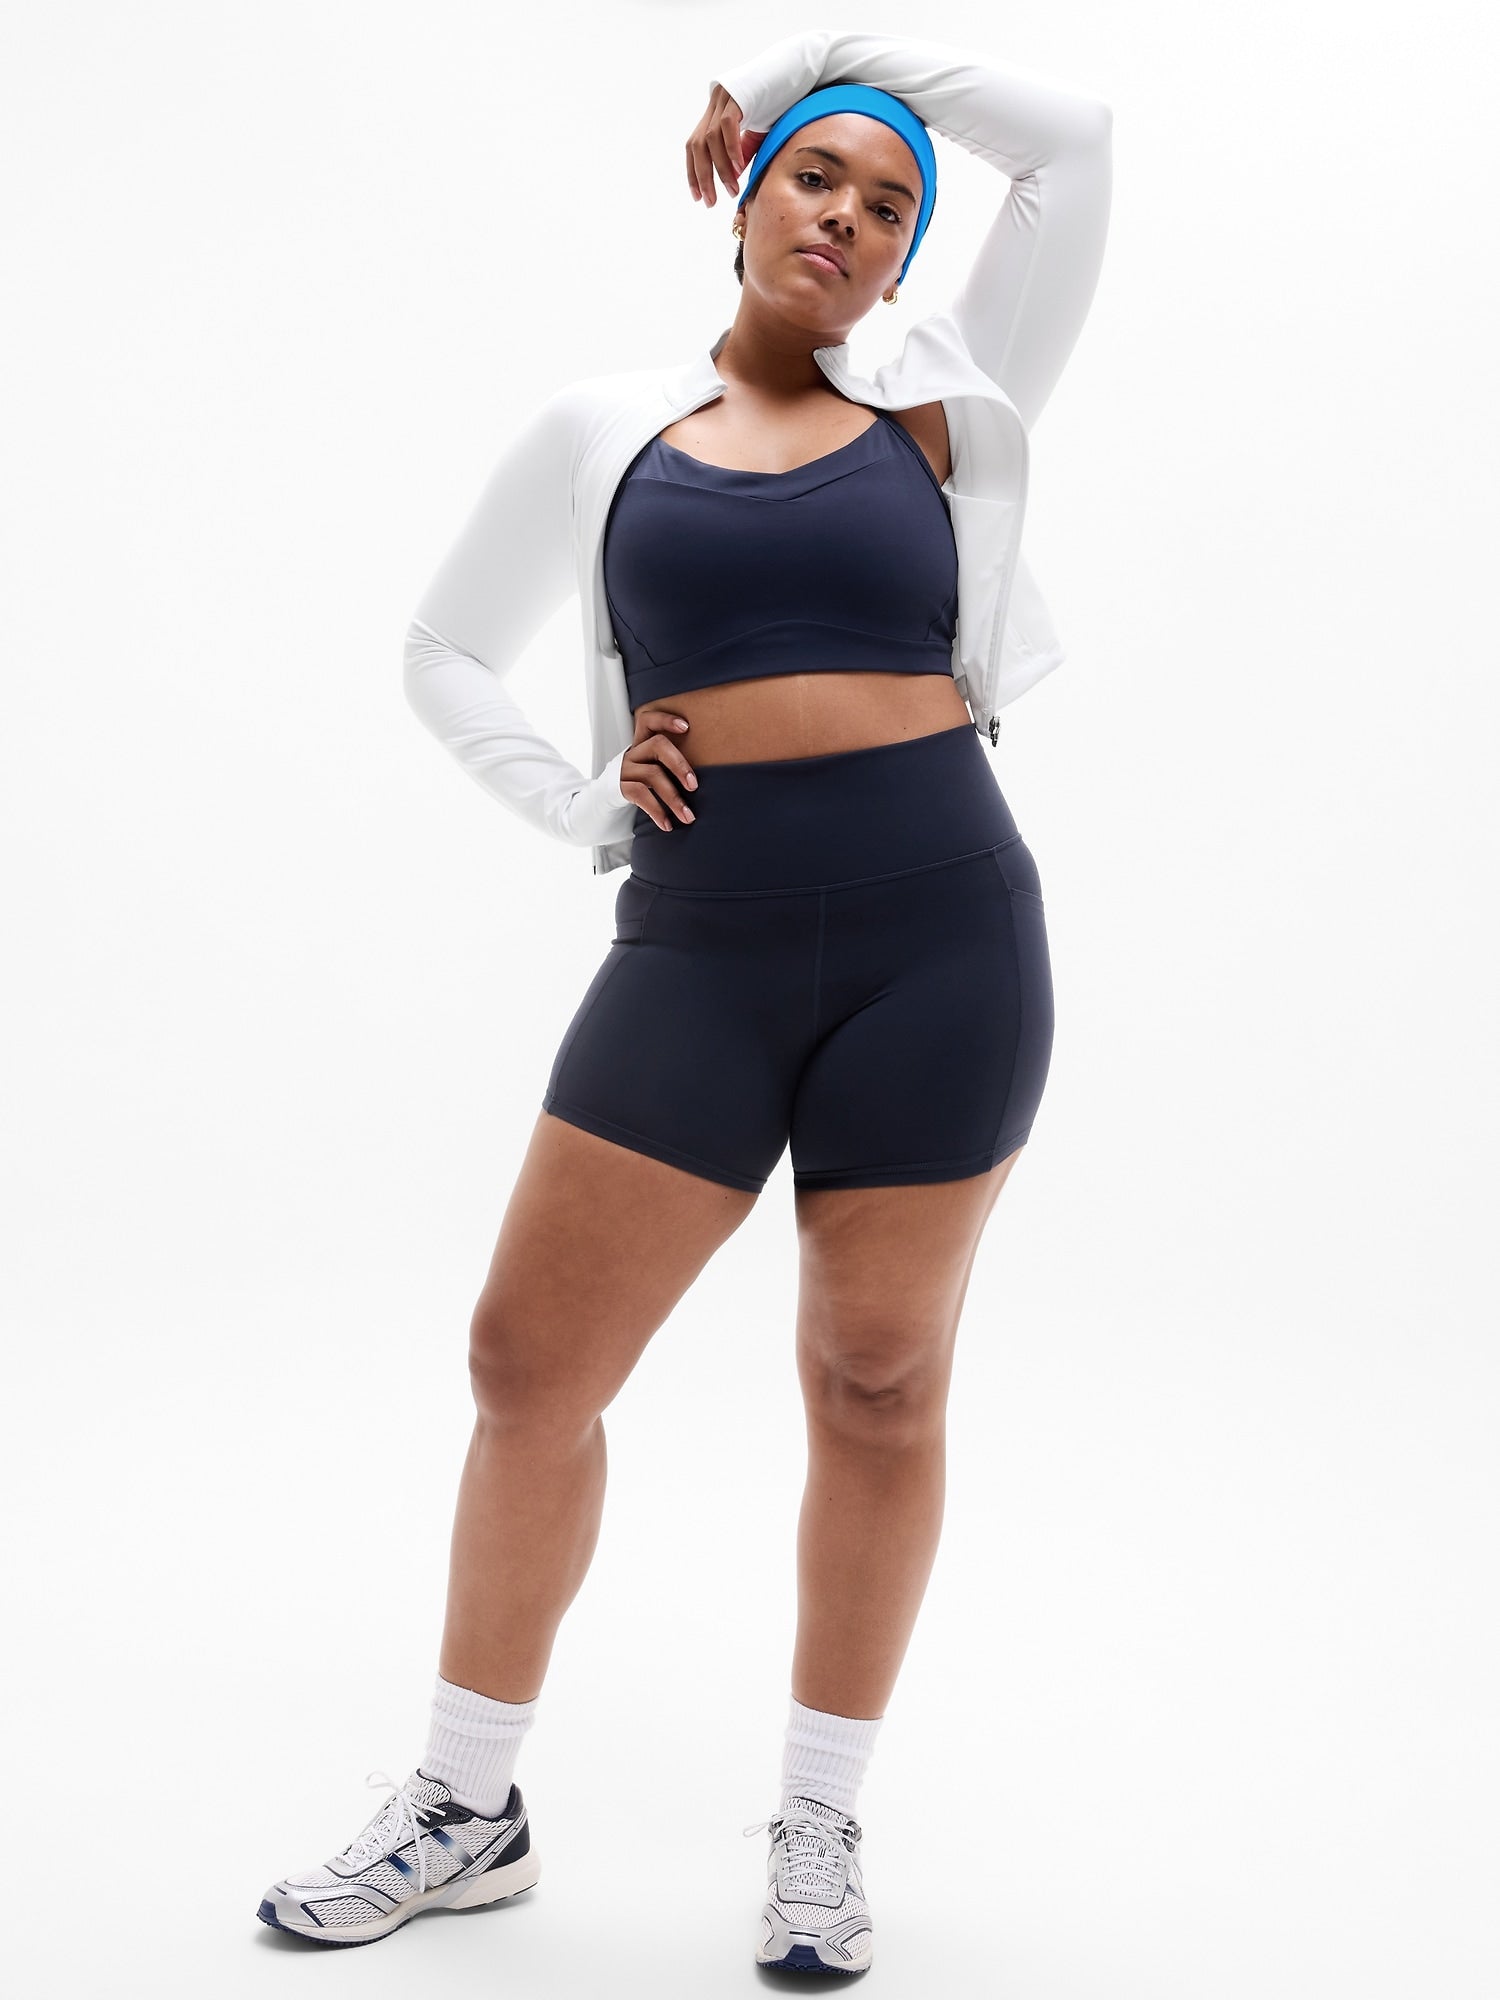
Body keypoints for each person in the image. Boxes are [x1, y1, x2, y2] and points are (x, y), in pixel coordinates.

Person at [258, 25, 1112, 1976]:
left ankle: (818, 1823)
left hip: (944, 941)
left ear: (909, 257)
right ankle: (465, 1805)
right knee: (525, 1367)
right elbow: (442, 648)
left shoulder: (947, 391)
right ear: (743, 190)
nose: (851, 218)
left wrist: (812, 61)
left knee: (878, 1380)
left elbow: (1075, 139)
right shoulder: (605, 426)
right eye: (818, 172)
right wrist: (582, 805)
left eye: (891, 204)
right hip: (701, 945)